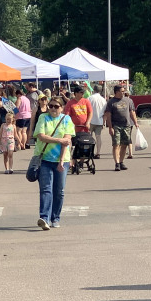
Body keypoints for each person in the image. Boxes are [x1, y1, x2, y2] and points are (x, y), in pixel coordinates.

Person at [33, 96, 75, 230]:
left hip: (62, 160)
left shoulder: (67, 120)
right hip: (44, 159)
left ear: (61, 108)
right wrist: (58, 140)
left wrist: (61, 161)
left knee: (59, 191)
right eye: (50, 106)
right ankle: (44, 218)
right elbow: (41, 136)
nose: (52, 109)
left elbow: (67, 141)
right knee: (46, 189)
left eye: (56, 106)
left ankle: (55, 218)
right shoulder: (43, 118)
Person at [103, 84, 139, 171]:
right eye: (122, 91)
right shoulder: (111, 102)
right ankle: (117, 163)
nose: (124, 92)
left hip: (126, 125)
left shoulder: (128, 100)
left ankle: (121, 162)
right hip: (116, 126)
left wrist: (135, 122)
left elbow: (132, 112)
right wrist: (110, 127)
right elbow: (108, 115)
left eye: (124, 91)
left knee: (124, 144)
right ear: (116, 92)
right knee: (116, 145)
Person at [66, 85, 92, 171]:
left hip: (84, 128)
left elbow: (90, 112)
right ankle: (73, 161)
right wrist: (70, 124)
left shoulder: (86, 101)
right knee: (73, 145)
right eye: (81, 92)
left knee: (84, 145)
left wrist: (88, 122)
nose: (83, 94)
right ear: (76, 93)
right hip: (74, 129)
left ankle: (81, 162)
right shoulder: (71, 103)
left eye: (83, 92)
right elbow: (67, 115)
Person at [88, 84, 107, 159]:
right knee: (98, 137)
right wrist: (104, 122)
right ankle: (98, 152)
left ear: (94, 90)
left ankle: (89, 152)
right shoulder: (103, 99)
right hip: (99, 120)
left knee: (89, 137)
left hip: (90, 120)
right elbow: (105, 111)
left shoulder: (90, 98)